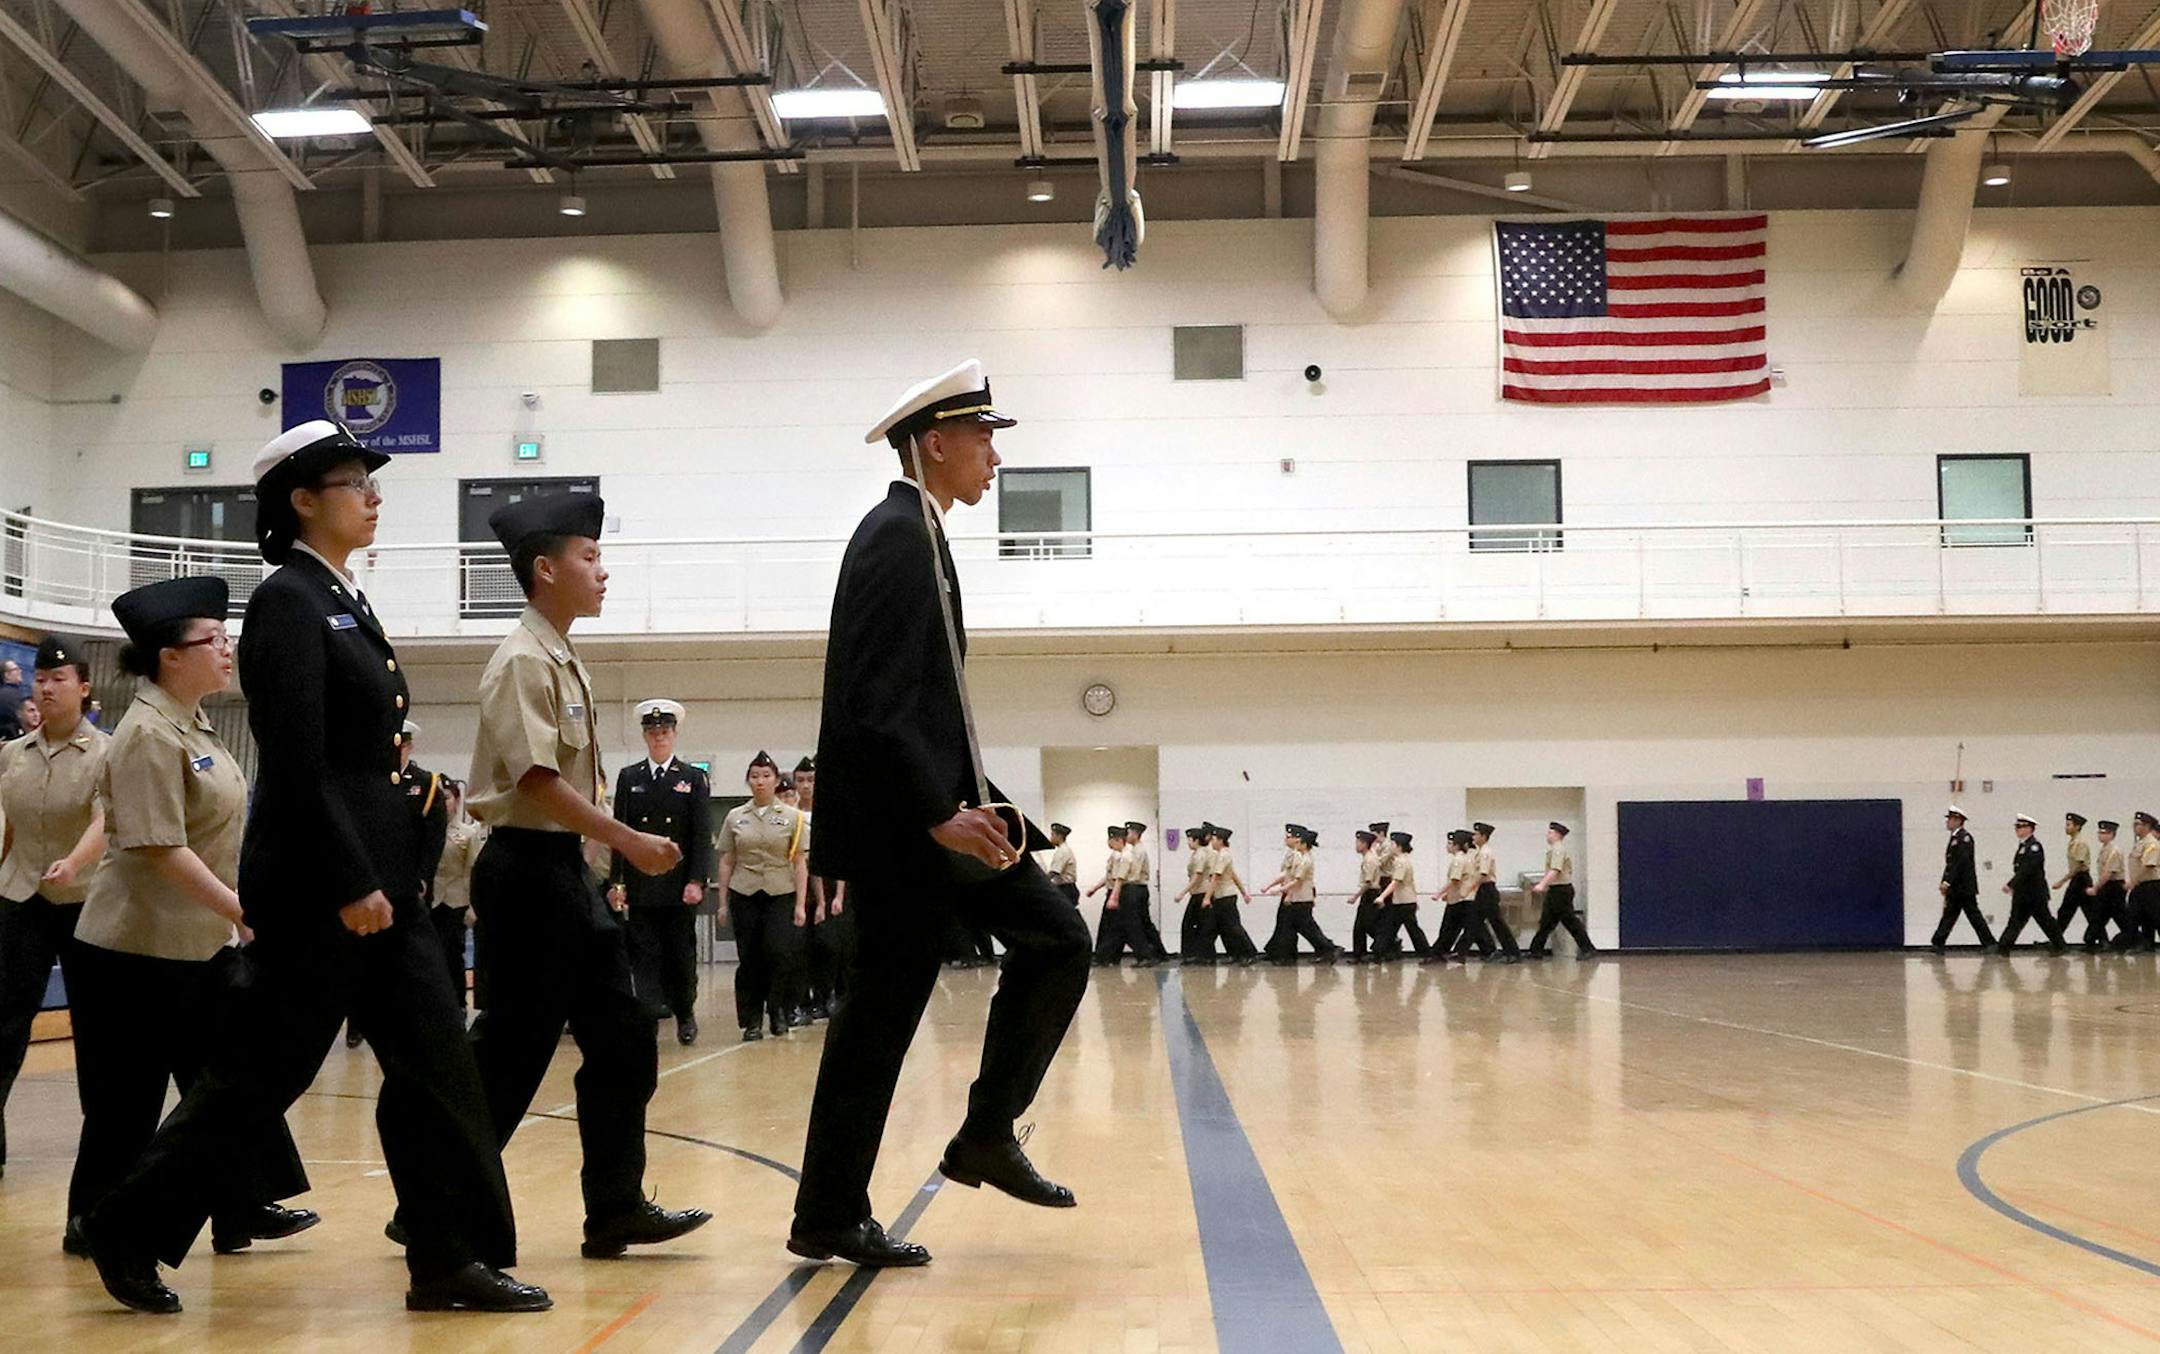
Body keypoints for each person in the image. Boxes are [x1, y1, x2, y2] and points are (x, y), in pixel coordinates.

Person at [83, 423, 543, 1316]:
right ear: (301, 499)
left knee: (437, 1067)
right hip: (326, 890)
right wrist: (349, 879)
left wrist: (407, 801)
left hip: (378, 879)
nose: (373, 495)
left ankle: (448, 1257)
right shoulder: (290, 602)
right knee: (261, 1076)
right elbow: (296, 765)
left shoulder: (336, 596)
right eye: (353, 482)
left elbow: (360, 750)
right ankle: (128, 1223)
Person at [792, 359, 1091, 1270]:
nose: (995, 455)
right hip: (911, 834)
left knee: (885, 1015)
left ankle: (889, 1183)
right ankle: (967, 1144)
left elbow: (916, 706)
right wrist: (939, 814)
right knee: (1047, 943)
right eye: (984, 437)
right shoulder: (893, 537)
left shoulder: (915, 532)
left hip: (927, 821)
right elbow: (875, 700)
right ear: (935, 444)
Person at [463, 489, 709, 1261]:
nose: (603, 572)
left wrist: (601, 853)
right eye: (590, 557)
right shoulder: (521, 661)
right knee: (511, 1053)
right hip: (525, 872)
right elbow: (536, 780)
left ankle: (615, 1208)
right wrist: (627, 841)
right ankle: (437, 1199)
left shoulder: (561, 656)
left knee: (626, 1038)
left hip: (565, 872)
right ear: (545, 569)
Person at [0, 636, 106, 1189]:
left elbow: (104, 820)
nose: (45, 687)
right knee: (3, 1023)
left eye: (59, 679)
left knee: (94, 1032)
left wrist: (74, 862)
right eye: (40, 679)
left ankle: (103, 1153)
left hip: (83, 902)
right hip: (21, 897)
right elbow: (8, 826)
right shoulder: (13, 754)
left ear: (83, 689)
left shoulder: (106, 753)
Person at [608, 699, 715, 1046]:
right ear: (644, 736)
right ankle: (649, 1015)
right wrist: (617, 882)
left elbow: (700, 834)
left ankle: (685, 1012)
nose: (659, 738)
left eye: (664, 732)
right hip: (641, 885)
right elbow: (620, 834)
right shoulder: (630, 778)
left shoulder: (692, 778)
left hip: (678, 886)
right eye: (653, 732)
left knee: (680, 956)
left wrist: (697, 880)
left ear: (674, 734)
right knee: (644, 956)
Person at [349, 719, 452, 1049]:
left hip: (410, 890)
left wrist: (422, 880)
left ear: (408, 746)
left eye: (400, 744)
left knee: (411, 962)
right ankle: (357, 1022)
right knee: (362, 959)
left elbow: (433, 840)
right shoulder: (369, 781)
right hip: (371, 887)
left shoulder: (426, 784)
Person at [718, 751, 809, 1041]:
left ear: (776, 780)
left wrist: (800, 904)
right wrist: (722, 903)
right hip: (745, 893)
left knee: (779, 953)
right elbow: (726, 860)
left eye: (766, 776)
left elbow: (799, 862)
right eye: (755, 776)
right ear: (748, 781)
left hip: (780, 892)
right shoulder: (735, 817)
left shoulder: (792, 818)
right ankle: (752, 1019)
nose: (760, 782)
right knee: (750, 958)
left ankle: (779, 1011)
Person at [797, 757, 851, 1022]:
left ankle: (834, 996)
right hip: (800, 889)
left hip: (830, 888)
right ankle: (810, 1000)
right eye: (801, 780)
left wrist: (836, 896)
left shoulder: (832, 813)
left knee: (832, 945)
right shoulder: (790, 814)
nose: (806, 786)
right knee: (805, 948)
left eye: (811, 780)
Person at [431, 780, 483, 1011]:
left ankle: (458, 1005)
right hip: (431, 901)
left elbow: (472, 870)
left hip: (456, 901)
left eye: (448, 798)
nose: (444, 804)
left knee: (452, 954)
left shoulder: (468, 833)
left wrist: (473, 905)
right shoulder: (427, 831)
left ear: (457, 800)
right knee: (432, 956)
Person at [1262, 826, 1339, 963]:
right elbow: (1287, 875)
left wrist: (1282, 892)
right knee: (1291, 927)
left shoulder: (1305, 860)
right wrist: (1270, 886)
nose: (1292, 843)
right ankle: (1283, 954)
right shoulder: (1297, 856)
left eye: (1296, 841)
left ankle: (1328, 949)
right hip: (1296, 896)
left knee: (1305, 928)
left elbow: (1296, 880)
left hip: (1300, 898)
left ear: (1303, 843)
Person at [1996, 813, 2068, 956]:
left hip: (2034, 894)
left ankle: (2060, 945)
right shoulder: (2024, 846)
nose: (2017, 830)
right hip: (2024, 893)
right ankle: (2003, 947)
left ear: (2030, 829)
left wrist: (2011, 884)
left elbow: (2027, 869)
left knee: (2045, 921)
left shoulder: (2034, 847)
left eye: (2021, 827)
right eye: (2017, 827)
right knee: (2016, 921)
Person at [1525, 821, 1598, 959]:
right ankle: (1536, 950)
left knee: (1569, 920)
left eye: (1550, 832)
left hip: (1561, 890)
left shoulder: (1558, 850)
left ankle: (1588, 948)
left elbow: (1555, 870)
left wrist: (1542, 885)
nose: (1548, 835)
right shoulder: (1555, 849)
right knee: (1546, 921)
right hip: (1555, 890)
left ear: (1558, 835)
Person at [1931, 806, 1992, 953]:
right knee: (1950, 915)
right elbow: (1950, 864)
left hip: (1963, 887)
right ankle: (1938, 943)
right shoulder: (1955, 838)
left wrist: (1947, 881)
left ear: (1958, 821)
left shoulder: (1964, 838)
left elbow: (1960, 862)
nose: (1948, 822)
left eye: (1951, 819)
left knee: (1972, 915)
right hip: (1957, 887)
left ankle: (1990, 943)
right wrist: (1944, 880)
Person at [1203, 825, 1260, 965]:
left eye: (1214, 839)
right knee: (1225, 928)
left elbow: (1216, 878)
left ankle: (1250, 952)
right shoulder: (1221, 855)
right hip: (1222, 896)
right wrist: (1244, 893)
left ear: (1221, 840)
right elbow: (1234, 875)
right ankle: (1235, 954)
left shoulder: (1223, 855)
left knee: (1234, 927)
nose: (1212, 842)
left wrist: (1206, 897)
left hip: (1226, 897)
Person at [1369, 831, 1430, 960]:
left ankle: (1426, 954)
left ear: (1399, 846)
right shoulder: (1401, 860)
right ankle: (1379, 953)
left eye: (1392, 843)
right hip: (1403, 901)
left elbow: (1396, 882)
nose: (1390, 846)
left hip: (1404, 902)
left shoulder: (1401, 862)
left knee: (1411, 930)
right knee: (1389, 928)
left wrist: (1382, 896)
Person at [1469, 823, 1522, 963]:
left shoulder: (1485, 852)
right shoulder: (1480, 852)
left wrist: (1470, 887)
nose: (1473, 837)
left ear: (1483, 836)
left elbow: (1483, 873)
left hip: (1487, 889)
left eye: (1476, 834)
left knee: (1496, 922)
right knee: (1474, 922)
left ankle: (1513, 952)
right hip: (1482, 889)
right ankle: (1485, 951)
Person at [1085, 825, 1133, 965]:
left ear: (1118, 840)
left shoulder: (1125, 856)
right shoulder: (1115, 855)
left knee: (1111, 927)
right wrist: (1095, 888)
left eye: (1110, 839)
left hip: (1118, 893)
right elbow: (1109, 876)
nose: (1108, 842)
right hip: (1113, 891)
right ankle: (1109, 957)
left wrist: (1113, 897)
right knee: (1111, 926)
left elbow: (1119, 879)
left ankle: (1104, 957)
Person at [2051, 813, 2099, 949]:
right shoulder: (2074, 842)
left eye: (2069, 825)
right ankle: (2057, 940)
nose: (2066, 827)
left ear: (2077, 827)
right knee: (2071, 911)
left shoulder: (2080, 843)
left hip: (2081, 879)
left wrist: (2062, 881)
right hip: (2078, 879)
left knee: (2082, 911)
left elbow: (2078, 866)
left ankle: (2057, 941)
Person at [1123, 820, 1169, 961]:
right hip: (1140, 889)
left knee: (1135, 924)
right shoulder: (1136, 849)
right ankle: (1160, 953)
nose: (1126, 836)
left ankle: (1145, 956)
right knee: (1145, 923)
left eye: (1128, 833)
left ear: (1136, 834)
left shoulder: (1138, 851)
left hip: (1135, 889)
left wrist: (1119, 880)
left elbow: (1134, 875)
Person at [1175, 823, 1219, 964]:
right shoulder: (1198, 853)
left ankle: (1199, 955)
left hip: (1201, 892)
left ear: (1195, 840)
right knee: (1200, 925)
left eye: (1189, 839)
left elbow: (1198, 876)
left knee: (1193, 925)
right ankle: (1199, 955)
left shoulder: (1200, 854)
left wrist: (1182, 892)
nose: (1188, 842)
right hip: (1199, 892)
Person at [2117, 812, 2160, 952]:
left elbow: (2148, 865)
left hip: (2150, 886)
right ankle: (2146, 944)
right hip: (2140, 886)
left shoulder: (2151, 843)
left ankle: (2144, 943)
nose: (2135, 827)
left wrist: (2132, 882)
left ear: (2147, 826)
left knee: (2155, 916)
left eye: (2138, 824)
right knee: (2137, 916)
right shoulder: (2140, 843)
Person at [1349, 828, 1385, 961]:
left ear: (1364, 844)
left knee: (1367, 925)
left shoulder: (1370, 860)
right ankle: (1360, 954)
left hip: (1371, 893)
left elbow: (1368, 882)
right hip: (1369, 893)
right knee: (1361, 926)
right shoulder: (1368, 858)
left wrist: (1355, 896)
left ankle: (1388, 945)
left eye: (1358, 842)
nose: (1356, 845)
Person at [2090, 820, 2126, 952]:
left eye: (2104, 833)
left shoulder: (2114, 851)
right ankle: (2092, 940)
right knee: (2099, 914)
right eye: (2099, 832)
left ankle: (2134, 939)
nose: (2100, 835)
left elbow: (2108, 873)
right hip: (2108, 886)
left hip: (2114, 887)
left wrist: (2096, 887)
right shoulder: (2104, 849)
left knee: (2119, 916)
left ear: (2112, 834)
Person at [1043, 823, 1080, 906]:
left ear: (1059, 836)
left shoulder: (1062, 851)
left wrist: (1042, 882)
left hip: (1065, 889)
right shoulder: (1064, 849)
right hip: (1067, 888)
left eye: (1052, 835)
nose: (1050, 838)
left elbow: (1054, 872)